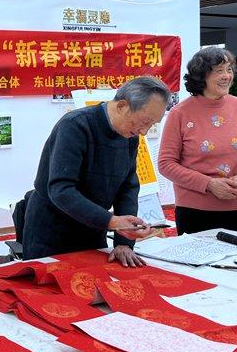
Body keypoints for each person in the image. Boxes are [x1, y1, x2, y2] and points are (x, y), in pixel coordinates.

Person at [22, 77, 171, 266]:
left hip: (93, 229)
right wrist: (112, 221)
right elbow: (61, 190)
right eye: (145, 121)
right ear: (122, 106)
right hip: (52, 232)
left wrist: (124, 242)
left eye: (152, 124)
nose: (144, 131)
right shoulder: (75, 125)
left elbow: (127, 187)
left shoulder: (130, 136)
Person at [158, 47, 237, 235]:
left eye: (229, 69)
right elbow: (166, 164)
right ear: (201, 76)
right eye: (219, 71)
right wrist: (208, 184)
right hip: (195, 210)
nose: (227, 76)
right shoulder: (180, 113)